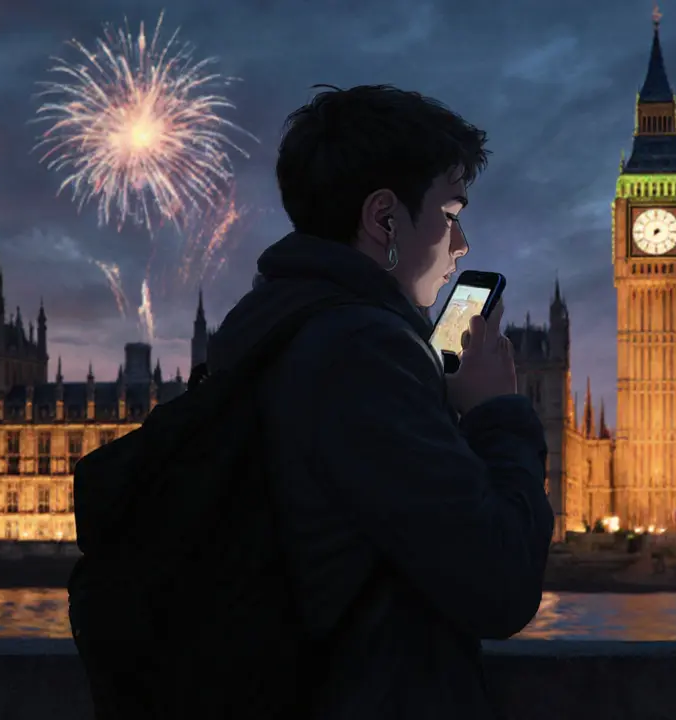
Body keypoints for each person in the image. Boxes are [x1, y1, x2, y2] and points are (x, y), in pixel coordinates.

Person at [204, 85, 554, 718]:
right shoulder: (362, 353)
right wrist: (495, 413)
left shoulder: (272, 323)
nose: (462, 243)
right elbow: (500, 586)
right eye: (450, 214)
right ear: (384, 220)